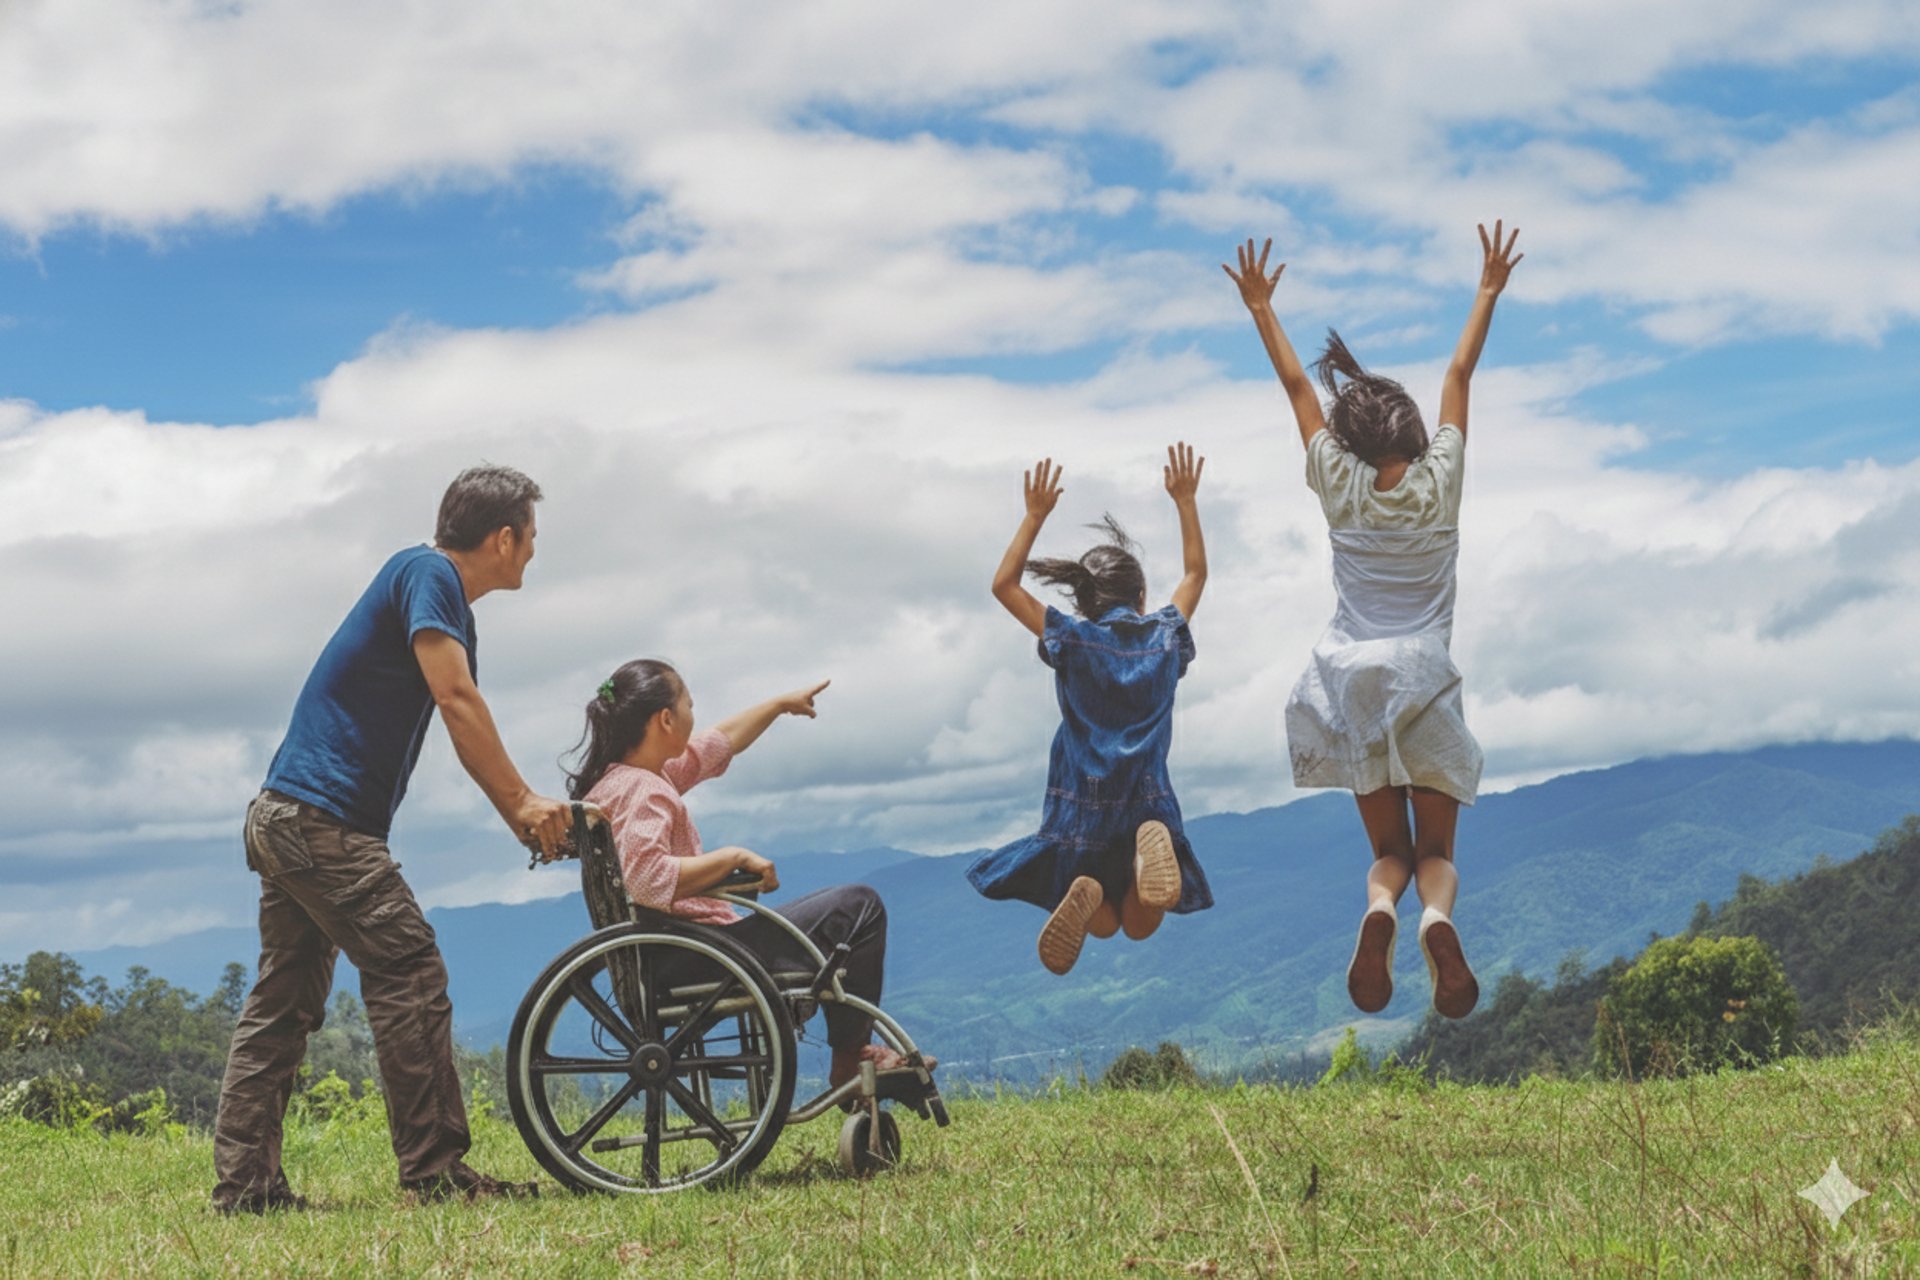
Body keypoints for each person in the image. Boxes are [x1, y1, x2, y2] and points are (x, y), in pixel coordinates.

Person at [212, 465, 572, 1212]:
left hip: (285, 817)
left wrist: (518, 810)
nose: (534, 552)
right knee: (408, 969)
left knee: (282, 1005)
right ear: (504, 538)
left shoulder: (418, 578)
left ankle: (245, 1191)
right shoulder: (428, 572)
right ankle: (435, 1175)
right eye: (532, 537)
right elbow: (455, 696)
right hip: (320, 823)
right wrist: (522, 805)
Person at [1223, 223, 1523, 1019]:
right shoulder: (1439, 485)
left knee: (1386, 853)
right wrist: (1487, 287)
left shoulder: (1337, 484)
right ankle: (1433, 916)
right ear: (1416, 434)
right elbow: (1461, 370)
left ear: (1351, 442)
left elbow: (1295, 390)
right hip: (1422, 683)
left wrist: (1262, 308)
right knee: (1435, 855)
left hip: (1349, 682)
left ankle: (1380, 910)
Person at [568, 661, 930, 1089]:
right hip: (696, 957)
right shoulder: (642, 789)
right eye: (689, 705)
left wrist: (778, 705)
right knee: (859, 906)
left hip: (673, 954)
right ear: (666, 719)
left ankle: (852, 1056)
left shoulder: (627, 780)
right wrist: (731, 858)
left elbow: (713, 747)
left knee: (845, 908)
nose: (693, 715)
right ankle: (850, 1060)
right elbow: (645, 878)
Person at [966, 444, 1214, 975]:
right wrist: (1185, 500)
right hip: (1148, 801)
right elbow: (1195, 576)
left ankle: (1090, 889)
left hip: (1081, 808)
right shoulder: (1165, 637)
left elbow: (1002, 587)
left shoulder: (1072, 638)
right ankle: (1150, 854)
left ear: (1084, 602)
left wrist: (1034, 516)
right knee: (1144, 920)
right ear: (1142, 595)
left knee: (1101, 922)